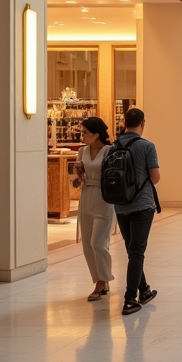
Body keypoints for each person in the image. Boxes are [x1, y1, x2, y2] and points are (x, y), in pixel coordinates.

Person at [114, 107, 160, 316]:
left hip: (120, 205)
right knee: (137, 251)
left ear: (125, 122)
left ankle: (144, 290)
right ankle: (130, 299)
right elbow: (155, 177)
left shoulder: (114, 146)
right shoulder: (147, 146)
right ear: (143, 123)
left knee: (131, 249)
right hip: (142, 205)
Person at [74, 117, 115, 301]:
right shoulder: (82, 151)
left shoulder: (109, 151)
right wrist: (78, 174)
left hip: (104, 198)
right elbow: (79, 179)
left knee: (98, 243)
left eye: (85, 133)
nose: (82, 135)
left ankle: (102, 281)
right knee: (87, 245)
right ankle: (99, 279)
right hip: (86, 196)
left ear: (96, 134)